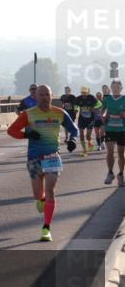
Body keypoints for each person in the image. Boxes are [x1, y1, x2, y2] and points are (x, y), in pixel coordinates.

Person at [7, 85, 78, 242]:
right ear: (36, 97)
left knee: (50, 190)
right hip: (34, 157)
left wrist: (73, 140)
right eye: (41, 95)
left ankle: (46, 228)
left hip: (52, 156)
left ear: (52, 96)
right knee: (38, 195)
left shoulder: (60, 113)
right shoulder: (28, 114)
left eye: (47, 94)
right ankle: (41, 200)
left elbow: (74, 129)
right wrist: (27, 134)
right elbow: (11, 131)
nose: (45, 97)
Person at [102, 79, 125, 187]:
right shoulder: (107, 98)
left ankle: (120, 174)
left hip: (122, 130)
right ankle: (110, 173)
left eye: (117, 87)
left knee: (121, 153)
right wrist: (103, 116)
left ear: (121, 88)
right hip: (110, 129)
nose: (115, 89)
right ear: (111, 88)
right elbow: (103, 110)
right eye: (113, 87)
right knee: (110, 152)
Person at [75, 87, 101, 156]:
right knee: (81, 135)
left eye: (85, 93)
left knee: (88, 136)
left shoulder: (92, 97)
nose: (83, 94)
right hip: (81, 119)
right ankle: (84, 150)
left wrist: (93, 108)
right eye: (82, 93)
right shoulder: (78, 98)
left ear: (88, 92)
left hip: (90, 119)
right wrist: (76, 109)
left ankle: (90, 142)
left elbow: (100, 104)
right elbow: (76, 105)